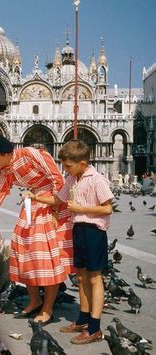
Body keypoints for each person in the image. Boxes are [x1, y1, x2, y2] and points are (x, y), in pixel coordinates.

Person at [0, 133, 73, 325]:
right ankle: (35, 299)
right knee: (23, 251)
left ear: (2, 152)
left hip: (51, 203)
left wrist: (55, 210)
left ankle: (47, 307)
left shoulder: (30, 154)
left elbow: (58, 179)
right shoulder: (7, 170)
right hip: (31, 203)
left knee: (46, 257)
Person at [23, 140, 113, 344]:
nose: (66, 169)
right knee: (81, 277)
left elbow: (107, 209)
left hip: (94, 231)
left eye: (68, 166)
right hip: (78, 229)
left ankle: (95, 328)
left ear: (82, 163)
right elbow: (58, 200)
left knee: (94, 278)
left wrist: (81, 209)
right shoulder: (73, 179)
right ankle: (82, 319)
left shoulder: (97, 179)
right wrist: (35, 197)